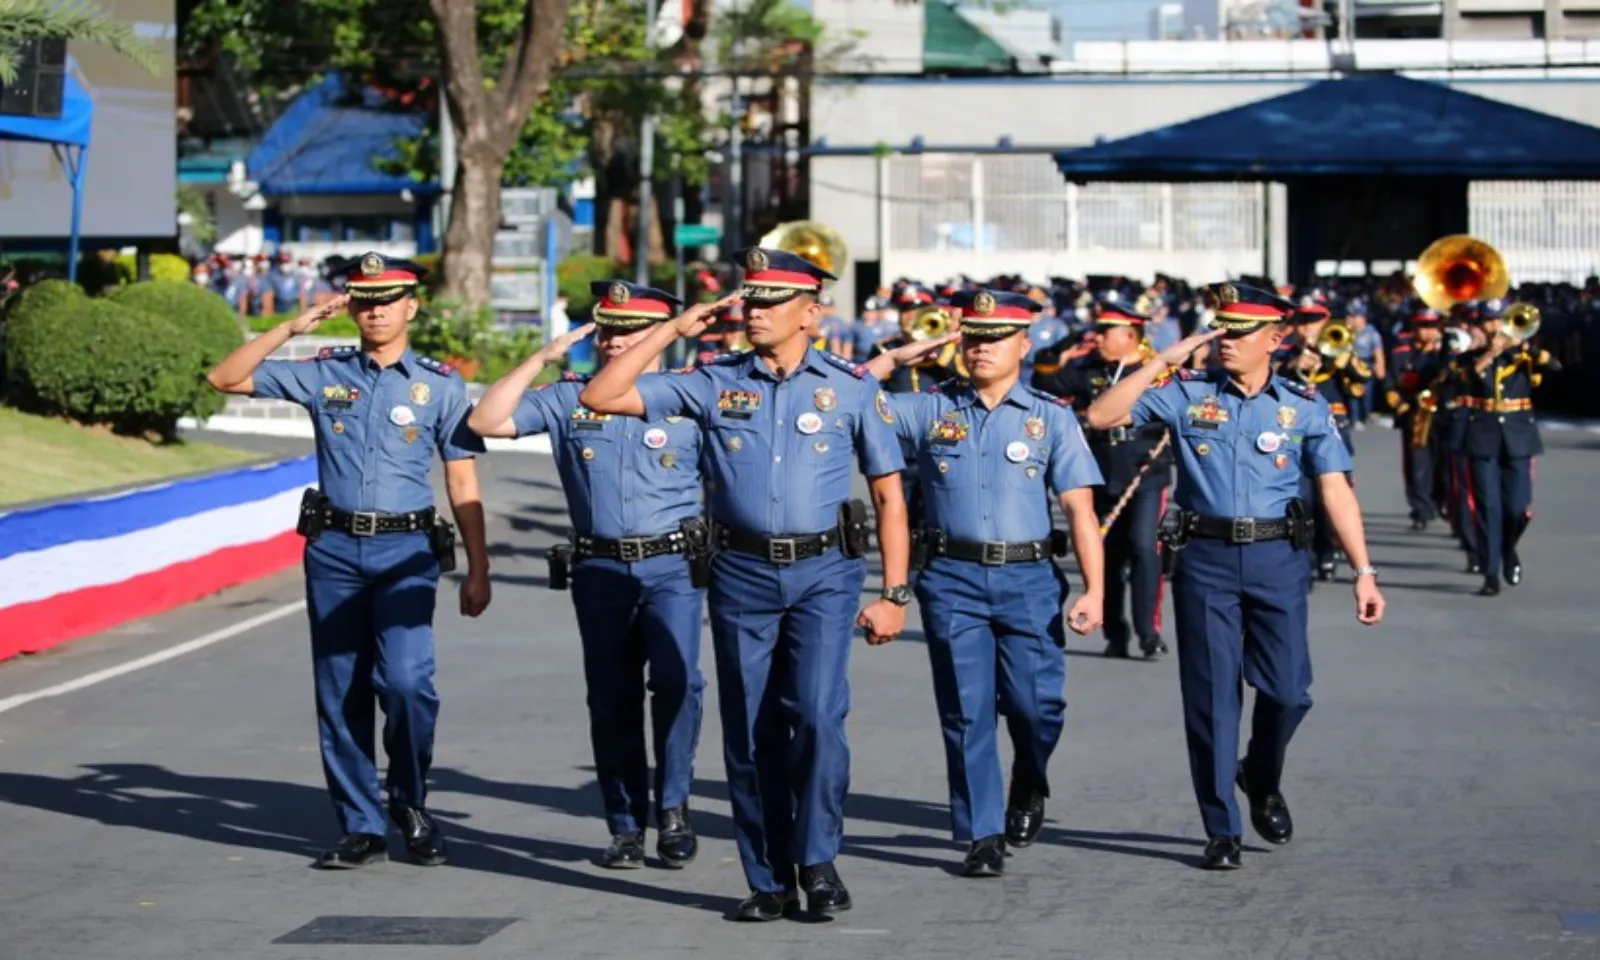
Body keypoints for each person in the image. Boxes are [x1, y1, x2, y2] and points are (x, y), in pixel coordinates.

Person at [579, 247, 911, 921]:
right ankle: (767, 878)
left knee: (817, 716)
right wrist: (671, 331)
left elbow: (889, 496)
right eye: (750, 299)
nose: (754, 311)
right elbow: (600, 395)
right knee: (750, 726)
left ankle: (815, 859)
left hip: (825, 572)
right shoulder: (712, 380)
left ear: (811, 312)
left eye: (771, 300)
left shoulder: (850, 386)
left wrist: (895, 593)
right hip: (741, 573)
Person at [205, 253, 492, 869]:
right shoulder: (323, 373)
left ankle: (409, 799)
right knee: (341, 690)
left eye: (388, 299)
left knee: (409, 683)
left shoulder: (441, 385)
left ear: (412, 305)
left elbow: (462, 481)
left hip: (407, 552)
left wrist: (479, 566)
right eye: (364, 301)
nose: (376, 310)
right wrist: (292, 328)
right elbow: (224, 378)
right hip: (334, 550)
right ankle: (360, 823)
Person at [1086, 281, 1385, 871]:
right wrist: (1163, 361)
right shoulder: (1187, 394)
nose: (1226, 341)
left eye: (1241, 332)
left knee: (1288, 691)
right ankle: (1220, 827)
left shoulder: (1302, 404)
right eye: (1221, 329)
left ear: (1274, 339)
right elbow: (1102, 414)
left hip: (1277, 558)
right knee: (1213, 698)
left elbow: (1334, 490)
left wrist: (1364, 571)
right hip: (1205, 559)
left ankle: (1261, 775)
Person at [467, 282, 709, 869]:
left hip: (673, 564)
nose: (610, 340)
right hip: (598, 566)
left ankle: (673, 808)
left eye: (626, 331)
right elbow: (487, 420)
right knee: (612, 697)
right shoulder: (567, 397)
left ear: (657, 335)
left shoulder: (692, 393)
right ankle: (625, 825)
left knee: (680, 686)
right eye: (605, 330)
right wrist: (538, 360)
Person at [865, 288, 1104, 878]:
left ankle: (1028, 779)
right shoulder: (928, 409)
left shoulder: (1051, 416)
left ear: (1025, 344)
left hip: (1029, 578)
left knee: (1035, 707)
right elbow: (846, 394)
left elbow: (1079, 510)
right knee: (966, 710)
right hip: (952, 578)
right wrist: (900, 355)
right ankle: (983, 831)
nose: (981, 349)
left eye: (996, 339)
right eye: (971, 337)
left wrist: (1093, 588)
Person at [1034, 295, 1173, 660]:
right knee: (1106, 557)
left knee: (1144, 549)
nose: (1099, 338)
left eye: (1106, 332)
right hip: (1099, 472)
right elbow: (1044, 379)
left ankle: (1148, 632)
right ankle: (1116, 633)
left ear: (1130, 335)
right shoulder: (1088, 368)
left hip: (1145, 474)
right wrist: (1065, 343)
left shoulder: (1156, 371)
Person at [1456, 299, 1560, 596]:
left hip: (1519, 436)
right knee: (1487, 506)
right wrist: (1491, 352)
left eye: (1500, 320)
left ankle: (1509, 549)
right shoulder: (1471, 357)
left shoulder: (1525, 357)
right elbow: (1460, 380)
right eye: (1489, 321)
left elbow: (1553, 367)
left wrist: (1524, 347)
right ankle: (1490, 572)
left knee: (1517, 507)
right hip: (1483, 436)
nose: (1495, 326)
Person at [1385, 307, 1449, 531]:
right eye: (1423, 327)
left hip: (1443, 415)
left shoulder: (1447, 350)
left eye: (1432, 327)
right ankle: (1420, 508)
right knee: (1417, 465)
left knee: (1444, 463)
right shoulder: (1402, 351)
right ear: (1414, 328)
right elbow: (1390, 385)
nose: (1428, 332)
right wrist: (1402, 407)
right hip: (1415, 415)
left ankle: (1442, 502)